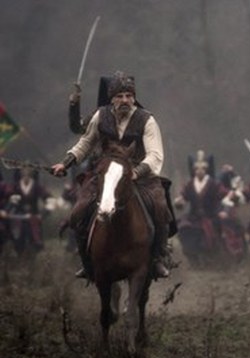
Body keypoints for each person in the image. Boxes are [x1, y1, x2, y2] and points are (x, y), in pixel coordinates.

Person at [52, 71, 175, 280]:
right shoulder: (101, 115)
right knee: (78, 212)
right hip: (105, 174)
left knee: (160, 206)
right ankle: (87, 262)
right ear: (112, 98)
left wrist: (135, 173)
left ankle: (157, 258)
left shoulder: (147, 120)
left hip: (139, 175)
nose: (125, 100)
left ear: (134, 97)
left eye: (129, 95)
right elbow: (85, 143)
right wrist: (65, 164)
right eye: (120, 96)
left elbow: (155, 154)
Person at [174, 150, 227, 262]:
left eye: (202, 169)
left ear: (206, 170)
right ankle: (193, 258)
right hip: (194, 217)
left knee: (211, 234)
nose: (199, 171)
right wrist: (180, 200)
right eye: (197, 169)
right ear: (194, 170)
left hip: (211, 216)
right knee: (184, 229)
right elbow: (183, 196)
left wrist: (222, 210)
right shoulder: (190, 184)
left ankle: (212, 258)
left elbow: (223, 196)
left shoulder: (213, 184)